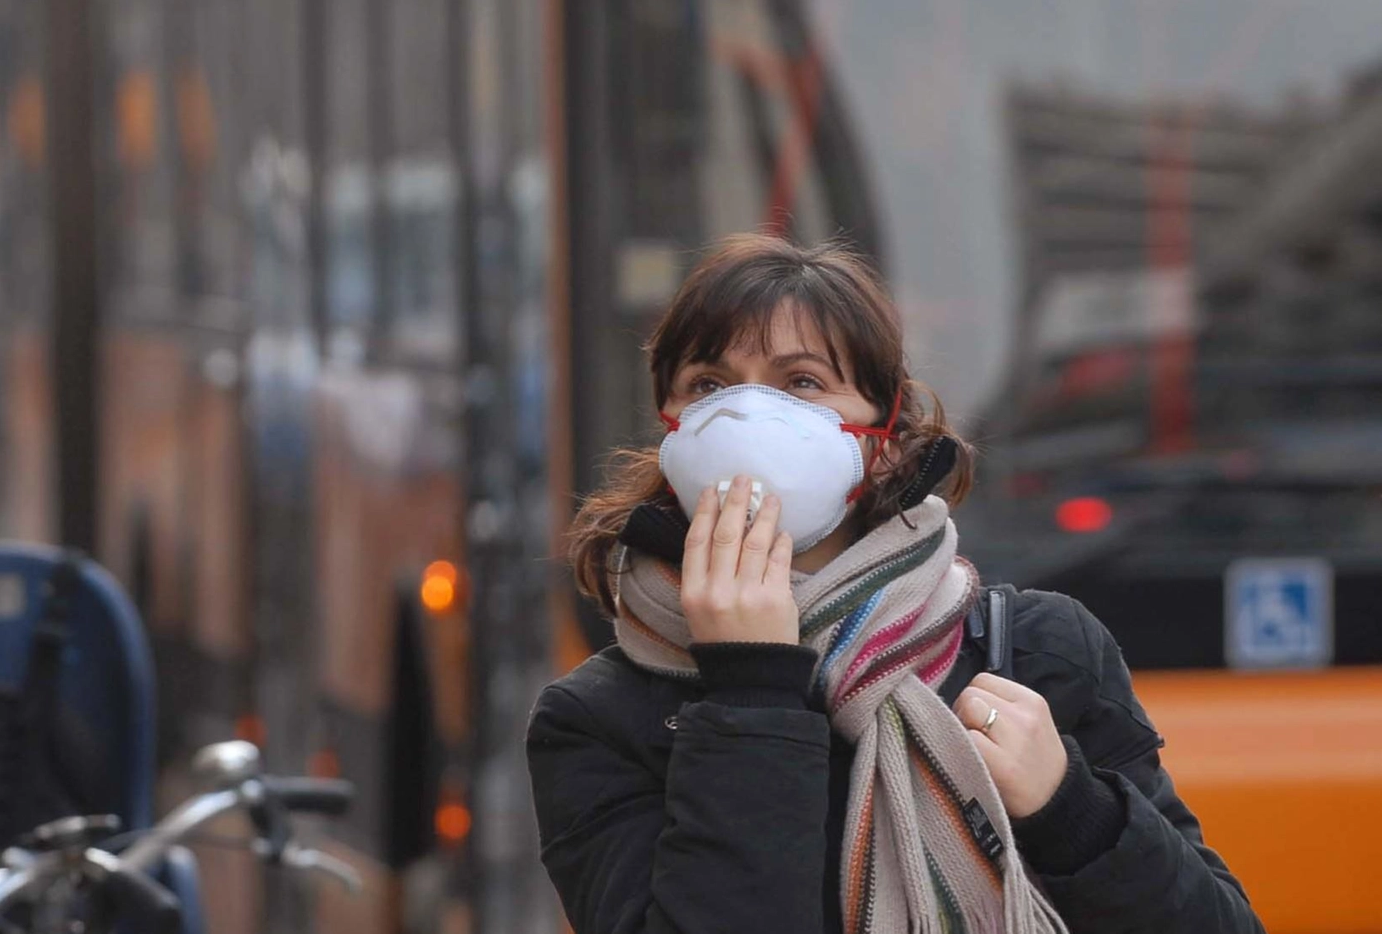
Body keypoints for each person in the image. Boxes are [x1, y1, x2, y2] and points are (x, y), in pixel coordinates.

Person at [526, 234, 1264, 934]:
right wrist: (749, 687)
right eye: (709, 384)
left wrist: (1073, 811)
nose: (747, 413)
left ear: (884, 442)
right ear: (673, 430)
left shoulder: (1039, 653)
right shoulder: (597, 719)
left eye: (803, 382)